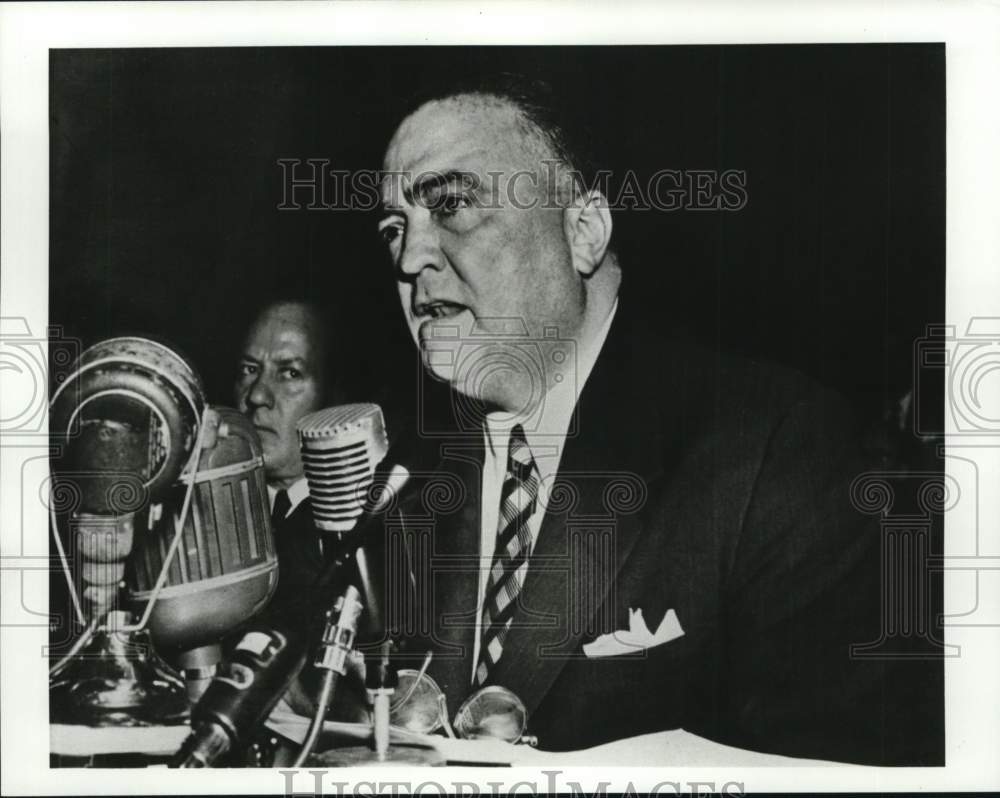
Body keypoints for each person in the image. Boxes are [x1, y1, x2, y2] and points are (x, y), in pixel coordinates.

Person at [374, 75, 942, 764]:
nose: (410, 258)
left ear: (583, 233)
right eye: (395, 228)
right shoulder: (394, 480)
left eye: (453, 204)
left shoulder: (776, 449)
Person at [234, 299, 339, 614]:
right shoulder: (198, 512)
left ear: (335, 395)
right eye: (249, 370)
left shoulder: (371, 529)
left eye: (290, 373)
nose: (256, 396)